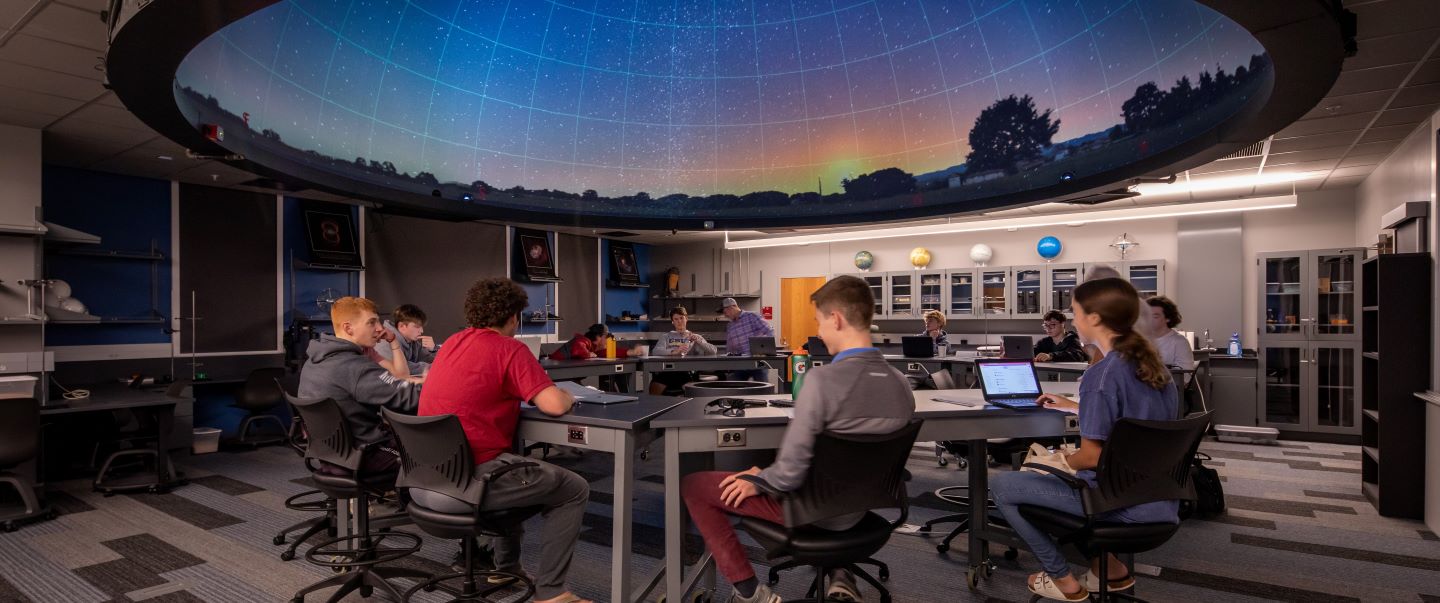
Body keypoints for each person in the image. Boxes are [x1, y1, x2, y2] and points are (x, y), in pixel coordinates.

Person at [682, 276, 915, 603]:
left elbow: (789, 475)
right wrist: (763, 476)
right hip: (861, 508)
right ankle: (841, 573)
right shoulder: (900, 382)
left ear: (836, 318)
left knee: (694, 485)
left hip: (814, 511)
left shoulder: (821, 381)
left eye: (820, 322)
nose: (819, 332)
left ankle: (749, 593)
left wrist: (758, 479)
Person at [989, 278, 1180, 602]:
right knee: (1066, 485)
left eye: (1076, 313)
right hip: (1160, 501)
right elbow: (1134, 425)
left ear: (1093, 319)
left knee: (1005, 486)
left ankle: (1061, 579)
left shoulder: (1101, 375)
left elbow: (1091, 458)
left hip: (1117, 503)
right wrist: (1078, 406)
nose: (1074, 321)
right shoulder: (1155, 369)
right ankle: (1110, 569)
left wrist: (1052, 462)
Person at [414, 278, 592, 603]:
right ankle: (552, 594)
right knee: (573, 488)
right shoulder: (510, 349)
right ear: (513, 318)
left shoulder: (452, 343)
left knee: (514, 464)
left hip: (422, 482)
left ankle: (507, 569)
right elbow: (553, 405)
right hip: (465, 485)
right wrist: (566, 393)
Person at [298, 296, 420, 475]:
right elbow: (410, 398)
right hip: (365, 455)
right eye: (372, 323)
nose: (380, 328)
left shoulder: (315, 360)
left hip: (330, 454)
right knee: (434, 457)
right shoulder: (355, 367)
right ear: (348, 328)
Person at [649, 306, 717, 395]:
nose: (679, 321)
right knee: (654, 386)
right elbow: (656, 351)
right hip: (667, 372)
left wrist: (699, 341)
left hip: (686, 372)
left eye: (681, 318)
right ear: (672, 322)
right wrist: (674, 352)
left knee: (691, 389)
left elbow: (713, 351)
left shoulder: (695, 337)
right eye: (676, 319)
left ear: (686, 319)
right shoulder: (666, 336)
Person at [718, 297, 775, 382]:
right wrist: (728, 362)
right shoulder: (730, 326)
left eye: (725, 312)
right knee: (733, 386)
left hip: (758, 361)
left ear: (732, 307)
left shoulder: (752, 316)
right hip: (741, 363)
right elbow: (730, 346)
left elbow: (769, 330)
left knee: (763, 389)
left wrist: (766, 351)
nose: (725, 315)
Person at [375, 304, 436, 374]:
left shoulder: (412, 341)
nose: (422, 331)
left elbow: (430, 360)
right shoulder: (385, 342)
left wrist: (433, 349)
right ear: (402, 326)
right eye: (417, 327)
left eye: (421, 327)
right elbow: (399, 368)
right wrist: (431, 367)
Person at [1144, 296, 1195, 372]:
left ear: (1168, 318)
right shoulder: (1140, 339)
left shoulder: (1179, 342)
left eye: (1155, 316)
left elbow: (1185, 376)